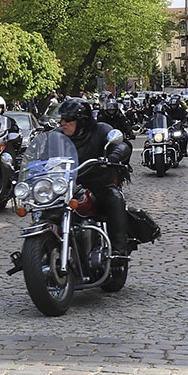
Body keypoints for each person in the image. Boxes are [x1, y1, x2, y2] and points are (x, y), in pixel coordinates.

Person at [57, 98, 132, 260]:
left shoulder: (101, 130)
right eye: (62, 119)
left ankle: (118, 251)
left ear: (82, 122)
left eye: (68, 119)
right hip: (64, 185)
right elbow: (42, 154)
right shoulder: (57, 136)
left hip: (96, 184)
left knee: (114, 197)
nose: (63, 123)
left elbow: (123, 145)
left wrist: (114, 156)